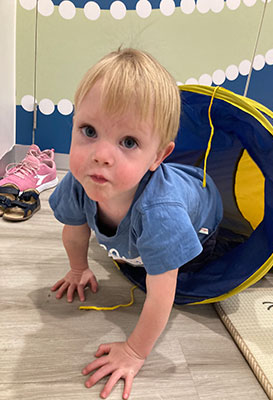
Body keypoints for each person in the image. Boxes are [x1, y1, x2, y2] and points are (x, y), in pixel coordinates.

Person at [49, 48, 223, 399]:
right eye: (89, 130)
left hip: (203, 212)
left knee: (175, 269)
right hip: (168, 186)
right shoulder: (80, 179)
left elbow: (163, 294)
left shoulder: (162, 213)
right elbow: (75, 231)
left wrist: (134, 352)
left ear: (157, 156)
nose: (101, 154)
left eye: (128, 142)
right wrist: (78, 269)